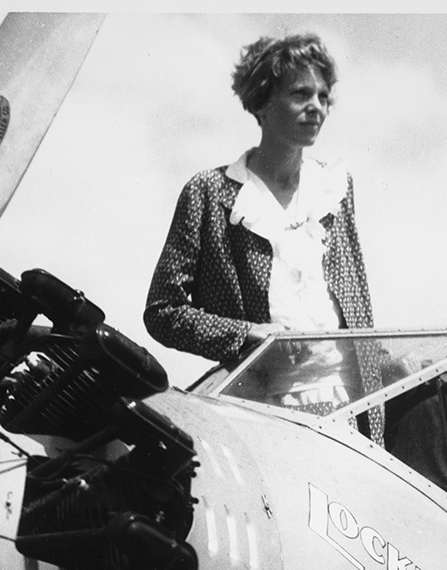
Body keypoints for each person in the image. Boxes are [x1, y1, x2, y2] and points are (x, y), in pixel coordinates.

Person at [143, 33, 374, 366]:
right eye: (300, 93)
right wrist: (244, 333)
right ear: (262, 101)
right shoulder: (209, 192)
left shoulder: (334, 187)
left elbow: (356, 303)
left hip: (345, 400)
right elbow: (163, 312)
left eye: (323, 96)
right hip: (258, 401)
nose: (317, 107)